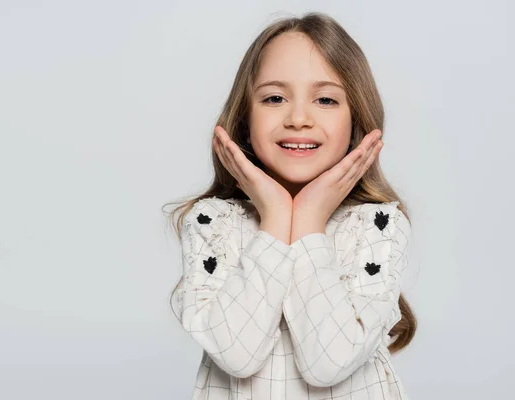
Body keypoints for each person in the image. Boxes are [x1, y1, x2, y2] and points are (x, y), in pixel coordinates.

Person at [164, 11, 416, 400]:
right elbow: (237, 354)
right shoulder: (213, 222)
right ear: (246, 119)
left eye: (326, 99)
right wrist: (277, 218)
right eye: (275, 98)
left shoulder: (377, 225)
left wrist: (310, 221)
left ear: (356, 121)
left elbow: (328, 362)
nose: (299, 118)